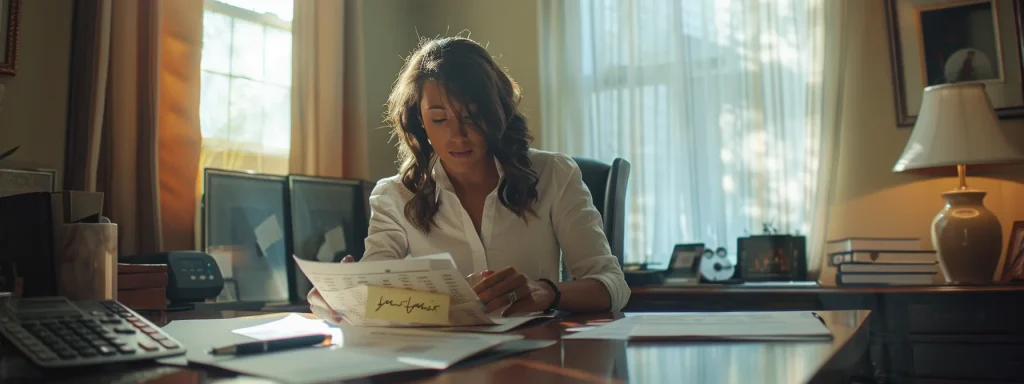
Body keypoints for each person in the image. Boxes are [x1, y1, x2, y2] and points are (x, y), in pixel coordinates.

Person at [307, 36, 629, 322]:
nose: (457, 135)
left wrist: (547, 292)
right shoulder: (394, 196)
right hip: (442, 360)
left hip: (534, 352)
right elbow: (376, 290)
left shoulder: (554, 174)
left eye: (472, 116)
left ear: (496, 112)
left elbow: (611, 284)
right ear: (420, 121)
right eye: (439, 119)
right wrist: (343, 297)